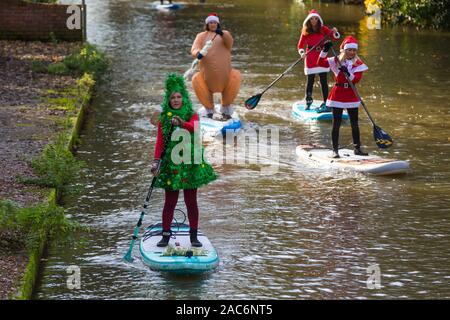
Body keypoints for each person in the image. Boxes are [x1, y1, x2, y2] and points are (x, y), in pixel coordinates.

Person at [151, 73, 217, 247]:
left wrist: (181, 123)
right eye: (172, 97)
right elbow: (160, 141)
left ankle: (193, 236)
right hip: (171, 164)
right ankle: (165, 235)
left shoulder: (192, 114)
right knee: (170, 202)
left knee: (191, 201)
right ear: (168, 99)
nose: (176, 100)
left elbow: (194, 128)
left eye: (179, 96)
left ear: (184, 97)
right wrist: (156, 162)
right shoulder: (163, 117)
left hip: (189, 162)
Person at [317, 36, 369, 158]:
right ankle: (335, 150)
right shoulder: (336, 60)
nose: (352, 52)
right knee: (336, 124)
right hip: (338, 93)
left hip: (351, 94)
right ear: (344, 50)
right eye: (349, 50)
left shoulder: (358, 63)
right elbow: (320, 63)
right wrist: (324, 50)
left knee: (354, 123)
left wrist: (347, 72)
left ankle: (357, 148)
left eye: (354, 50)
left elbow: (356, 79)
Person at [191, 13, 241, 120]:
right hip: (206, 78)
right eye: (210, 22)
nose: (212, 24)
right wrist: (197, 53)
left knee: (236, 76)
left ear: (217, 23)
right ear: (207, 24)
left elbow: (230, 43)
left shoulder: (224, 34)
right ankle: (209, 109)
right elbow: (194, 48)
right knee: (195, 79)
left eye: (214, 22)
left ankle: (226, 109)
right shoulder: (201, 36)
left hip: (226, 78)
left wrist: (222, 34)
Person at [297, 9, 339, 111]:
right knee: (310, 81)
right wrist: (302, 53)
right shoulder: (305, 31)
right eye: (312, 19)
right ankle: (308, 102)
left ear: (318, 19)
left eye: (316, 18)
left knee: (324, 81)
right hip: (310, 57)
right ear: (309, 20)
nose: (314, 20)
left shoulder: (323, 28)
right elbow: (300, 46)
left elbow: (335, 37)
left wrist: (335, 32)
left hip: (321, 56)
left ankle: (327, 103)